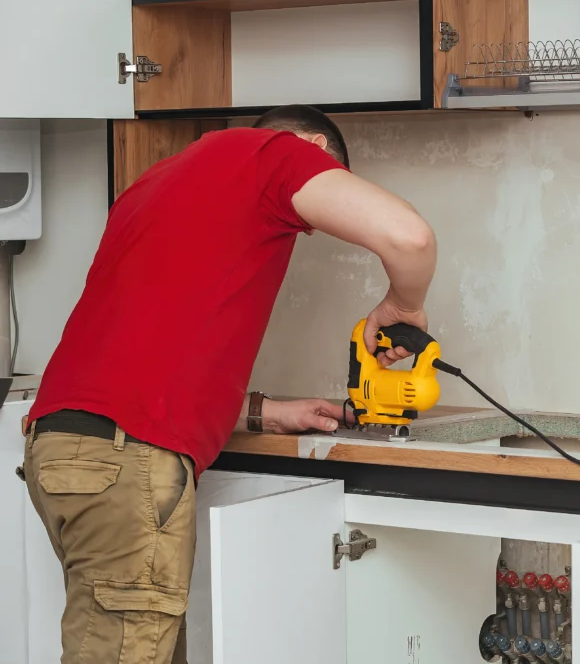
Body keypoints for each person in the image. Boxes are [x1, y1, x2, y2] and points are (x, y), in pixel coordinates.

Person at [19, 104, 436, 664]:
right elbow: (409, 238)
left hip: (63, 450)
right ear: (311, 146)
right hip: (127, 464)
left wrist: (264, 413)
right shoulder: (279, 155)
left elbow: (144, 358)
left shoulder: (156, 182)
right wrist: (403, 305)